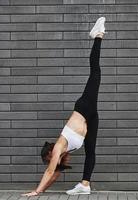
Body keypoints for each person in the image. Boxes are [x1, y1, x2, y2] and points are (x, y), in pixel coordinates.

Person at [21, 16, 106, 197]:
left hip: (84, 108)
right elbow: (54, 174)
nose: (51, 162)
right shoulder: (63, 152)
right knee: (91, 151)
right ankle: (85, 184)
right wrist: (42, 190)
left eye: (49, 159)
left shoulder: (59, 146)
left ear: (51, 152)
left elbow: (50, 172)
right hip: (91, 118)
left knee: (95, 73)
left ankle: (97, 35)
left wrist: (36, 191)